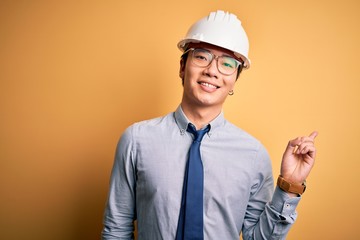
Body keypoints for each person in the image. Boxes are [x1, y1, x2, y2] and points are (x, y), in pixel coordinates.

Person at [102, 10, 318, 240]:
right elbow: (117, 229)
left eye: (227, 63)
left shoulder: (254, 154)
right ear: (182, 67)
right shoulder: (136, 140)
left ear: (234, 79)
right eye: (202, 56)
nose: (212, 71)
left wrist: (289, 186)